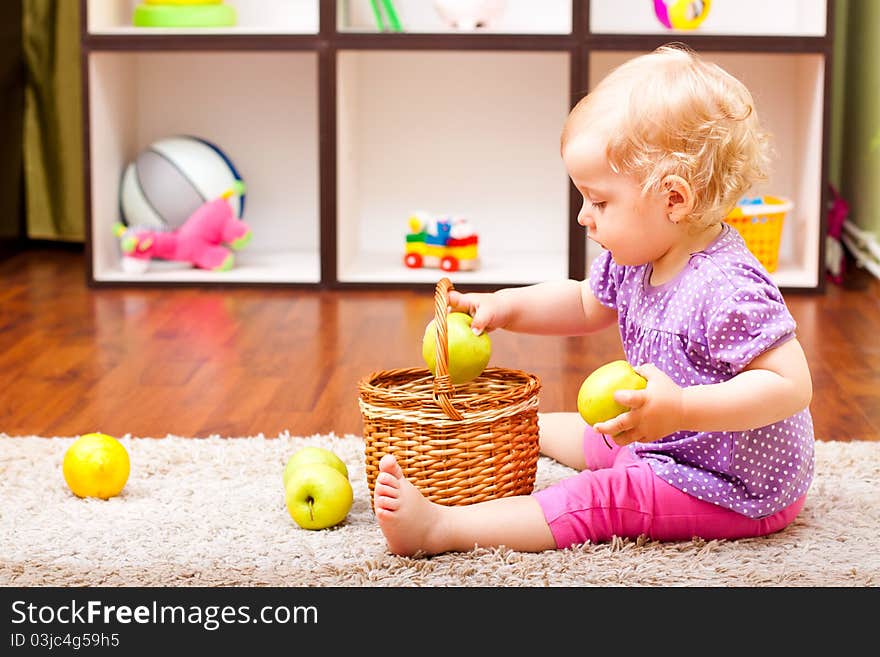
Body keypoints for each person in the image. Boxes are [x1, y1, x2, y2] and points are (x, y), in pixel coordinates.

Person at [373, 44, 815, 556]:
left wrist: (681, 408)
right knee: (576, 430)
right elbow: (585, 303)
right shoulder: (636, 255)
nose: (585, 216)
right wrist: (506, 307)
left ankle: (440, 530)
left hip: (731, 483)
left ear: (674, 199)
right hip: (665, 436)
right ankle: (521, 437)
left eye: (600, 201)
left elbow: (791, 386)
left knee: (599, 499)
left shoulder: (727, 287)